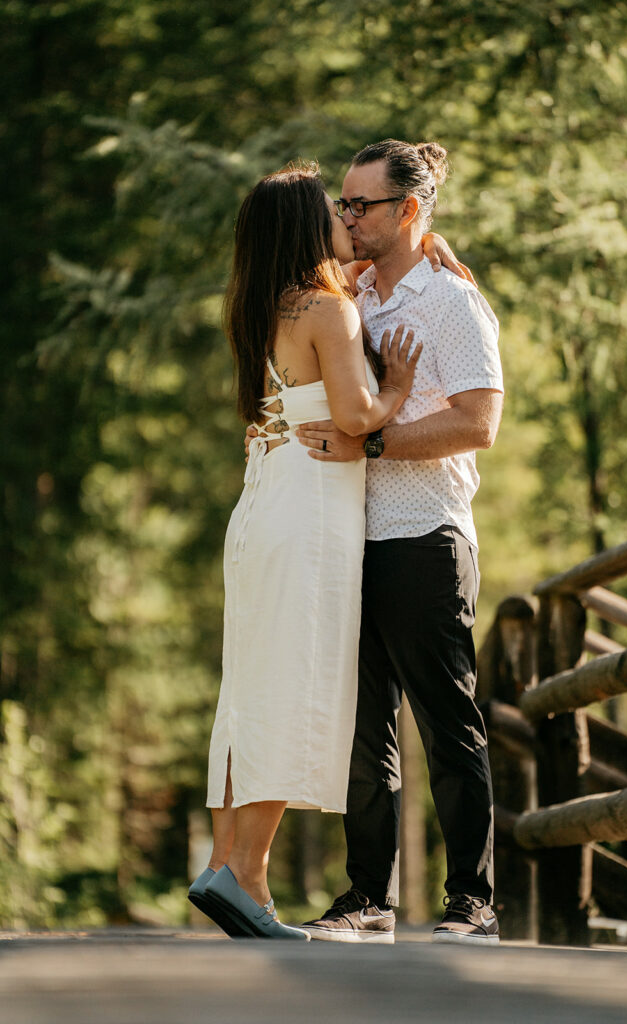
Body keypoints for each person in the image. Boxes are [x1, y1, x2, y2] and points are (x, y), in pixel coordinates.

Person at [187, 162, 422, 940]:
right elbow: (355, 415)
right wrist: (396, 391)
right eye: (332, 209)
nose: (345, 218)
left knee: (249, 688)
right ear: (302, 226)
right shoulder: (329, 309)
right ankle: (248, 878)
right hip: (310, 509)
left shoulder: (263, 306)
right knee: (293, 683)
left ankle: (226, 866)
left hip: (263, 501)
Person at [295, 139, 504, 946]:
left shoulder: (453, 304)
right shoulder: (351, 291)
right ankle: (366, 898)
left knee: (447, 726)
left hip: (424, 536)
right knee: (363, 733)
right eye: (343, 204)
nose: (346, 217)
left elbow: (479, 423)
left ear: (408, 211)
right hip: (351, 542)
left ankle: (473, 904)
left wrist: (373, 446)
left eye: (360, 205)